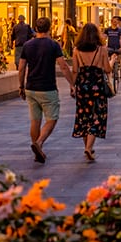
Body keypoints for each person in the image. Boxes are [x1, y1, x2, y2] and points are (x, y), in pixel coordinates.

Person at [17, 17, 74, 164]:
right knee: (52, 119)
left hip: (31, 88)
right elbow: (63, 66)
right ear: (49, 28)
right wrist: (72, 84)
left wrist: (21, 86)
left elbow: (22, 67)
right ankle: (39, 142)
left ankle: (38, 152)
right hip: (47, 87)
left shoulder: (27, 45)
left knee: (35, 120)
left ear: (36, 28)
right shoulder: (53, 45)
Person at [72, 22, 112, 161]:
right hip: (97, 86)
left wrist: (72, 86)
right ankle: (88, 148)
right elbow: (107, 69)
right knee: (97, 116)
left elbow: (75, 70)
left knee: (83, 116)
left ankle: (88, 147)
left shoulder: (76, 50)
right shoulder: (101, 49)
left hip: (82, 86)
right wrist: (112, 61)